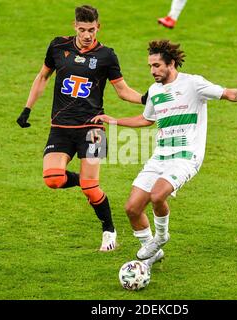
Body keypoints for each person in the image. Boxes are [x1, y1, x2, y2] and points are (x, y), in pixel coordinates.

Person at [91, 40, 237, 265]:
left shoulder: (193, 83)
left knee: (157, 195)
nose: (153, 71)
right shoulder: (154, 91)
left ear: (171, 64)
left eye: (157, 65)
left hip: (186, 156)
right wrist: (114, 120)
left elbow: (227, 93)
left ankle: (161, 238)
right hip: (160, 156)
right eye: (150, 66)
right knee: (132, 208)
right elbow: (146, 119)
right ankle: (152, 251)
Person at [16, 5, 144, 251]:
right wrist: (27, 108)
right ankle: (85, 182)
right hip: (60, 128)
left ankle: (109, 230)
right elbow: (43, 77)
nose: (87, 35)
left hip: (93, 129)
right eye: (83, 29)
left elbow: (122, 90)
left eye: (92, 29)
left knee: (91, 188)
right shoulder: (57, 46)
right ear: (75, 26)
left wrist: (146, 100)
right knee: (53, 179)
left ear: (99, 27)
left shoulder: (106, 55)